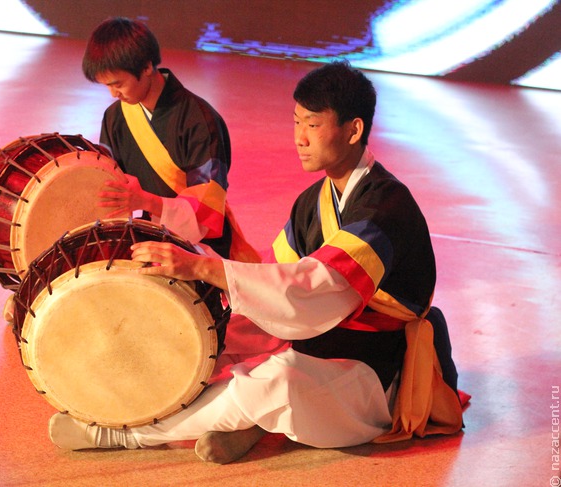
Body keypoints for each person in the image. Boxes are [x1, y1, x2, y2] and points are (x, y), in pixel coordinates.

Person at [47, 60, 466, 463]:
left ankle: (125, 434)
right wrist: (207, 322)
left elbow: (318, 286)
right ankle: (217, 418)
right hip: (323, 343)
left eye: (313, 125)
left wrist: (201, 268)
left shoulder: (385, 207)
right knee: (211, 338)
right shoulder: (311, 203)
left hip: (377, 373)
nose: (300, 137)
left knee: (277, 384)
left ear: (354, 130)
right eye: (297, 122)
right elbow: (273, 278)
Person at [81, 17, 258, 262]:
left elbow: (206, 213)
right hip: (140, 237)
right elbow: (109, 180)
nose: (113, 94)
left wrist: (145, 201)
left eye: (118, 84)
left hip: (196, 248)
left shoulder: (200, 120)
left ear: (145, 67)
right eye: (107, 86)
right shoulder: (114, 117)